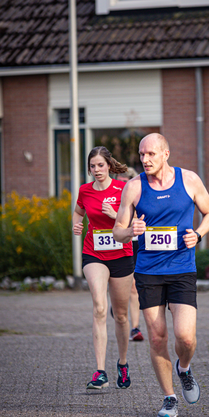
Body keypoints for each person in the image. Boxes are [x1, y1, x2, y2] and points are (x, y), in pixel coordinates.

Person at [113, 133, 209, 417]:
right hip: (148, 272)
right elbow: (117, 230)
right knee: (157, 338)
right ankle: (169, 398)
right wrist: (130, 232)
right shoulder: (134, 188)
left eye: (151, 154)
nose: (145, 159)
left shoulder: (190, 180)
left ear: (166, 154)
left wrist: (197, 235)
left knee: (186, 337)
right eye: (141, 154)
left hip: (182, 268)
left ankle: (184, 368)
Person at [73, 146, 134, 391]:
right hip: (94, 253)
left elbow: (134, 222)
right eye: (92, 166)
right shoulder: (84, 191)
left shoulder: (123, 189)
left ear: (109, 165)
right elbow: (78, 212)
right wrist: (77, 225)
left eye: (100, 165)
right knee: (99, 307)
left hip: (121, 254)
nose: (96, 170)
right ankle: (100, 372)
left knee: (120, 315)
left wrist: (114, 216)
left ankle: (123, 363)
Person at [116, 167, 144, 342]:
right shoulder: (112, 198)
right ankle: (118, 306)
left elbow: (139, 221)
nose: (123, 185)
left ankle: (135, 328)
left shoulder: (139, 197)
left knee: (134, 287)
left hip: (134, 245)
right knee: (119, 288)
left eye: (125, 182)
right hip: (115, 245)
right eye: (119, 182)